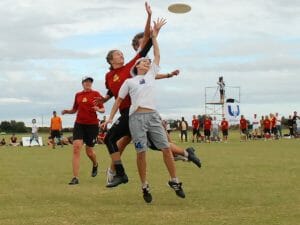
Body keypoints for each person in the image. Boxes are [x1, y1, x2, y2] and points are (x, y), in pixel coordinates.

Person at [103, 19, 185, 203]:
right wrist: (108, 116)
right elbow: (116, 98)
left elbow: (152, 50)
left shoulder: (146, 74)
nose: (147, 64)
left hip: (151, 115)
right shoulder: (126, 80)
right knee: (139, 151)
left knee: (164, 147)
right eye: (144, 62)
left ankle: (175, 178)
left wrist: (154, 33)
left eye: (148, 63)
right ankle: (143, 184)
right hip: (134, 117)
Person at [62, 76, 105, 185]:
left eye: (90, 82)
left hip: (92, 125)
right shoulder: (78, 95)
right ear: (82, 83)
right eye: (86, 82)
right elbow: (75, 109)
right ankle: (75, 177)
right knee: (76, 148)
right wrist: (68, 111)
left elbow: (103, 109)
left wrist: (98, 109)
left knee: (89, 152)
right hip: (79, 124)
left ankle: (95, 164)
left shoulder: (96, 94)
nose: (88, 83)